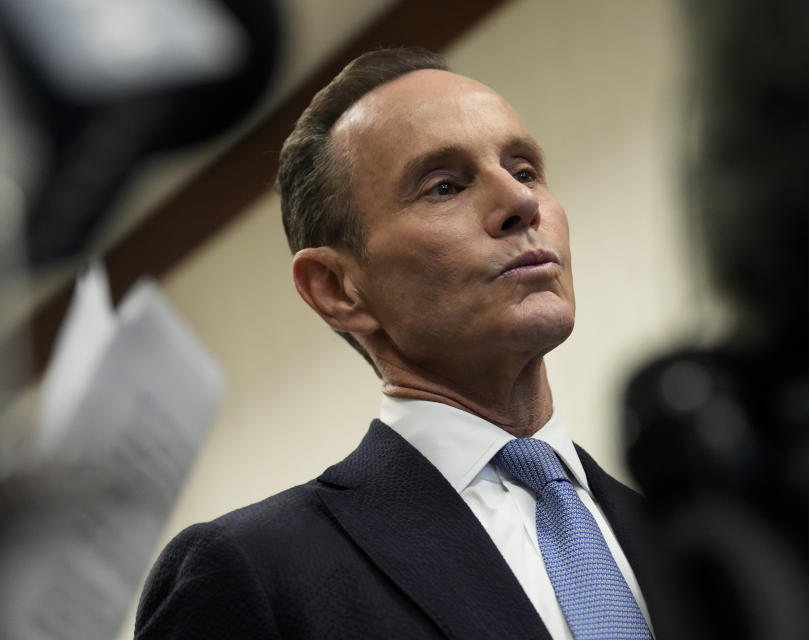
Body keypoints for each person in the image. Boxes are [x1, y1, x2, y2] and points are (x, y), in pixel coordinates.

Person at [134, 48, 659, 640]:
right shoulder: (253, 571)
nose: (520, 204)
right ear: (337, 289)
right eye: (444, 186)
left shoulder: (686, 537)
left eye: (525, 170)